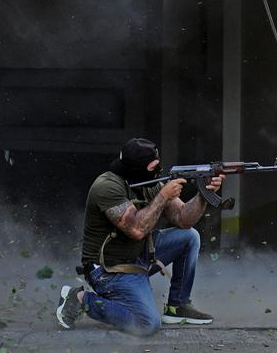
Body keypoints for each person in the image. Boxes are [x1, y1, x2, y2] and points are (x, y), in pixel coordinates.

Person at [56, 138, 225, 335]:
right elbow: (136, 229)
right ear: (137, 168)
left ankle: (177, 306)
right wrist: (163, 196)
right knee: (146, 324)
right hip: (110, 269)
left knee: (189, 237)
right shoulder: (107, 187)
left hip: (139, 255)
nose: (158, 170)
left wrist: (204, 193)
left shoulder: (148, 182)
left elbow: (183, 219)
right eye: (153, 166)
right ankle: (80, 299)